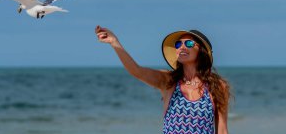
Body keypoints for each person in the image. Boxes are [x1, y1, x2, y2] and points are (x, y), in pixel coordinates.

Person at [95, 25, 231, 134]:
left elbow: (222, 130)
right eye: (178, 44)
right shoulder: (168, 81)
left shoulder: (218, 86)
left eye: (189, 43)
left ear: (201, 50)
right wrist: (114, 43)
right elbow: (136, 71)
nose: (182, 47)